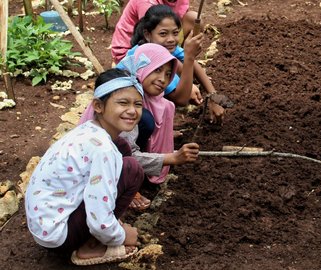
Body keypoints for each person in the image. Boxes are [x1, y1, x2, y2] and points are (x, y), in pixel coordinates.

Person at [25, 68, 145, 265]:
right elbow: (99, 222)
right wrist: (121, 235)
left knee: (122, 147)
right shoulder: (103, 150)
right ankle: (92, 245)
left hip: (45, 224)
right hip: (59, 235)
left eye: (138, 104)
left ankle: (101, 227)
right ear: (98, 106)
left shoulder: (88, 130)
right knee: (132, 169)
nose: (132, 110)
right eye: (123, 103)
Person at [80, 43, 200, 210]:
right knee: (136, 145)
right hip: (92, 174)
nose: (163, 79)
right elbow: (123, 156)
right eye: (157, 70)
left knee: (159, 110)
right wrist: (171, 158)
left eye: (167, 74)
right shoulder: (124, 106)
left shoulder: (148, 98)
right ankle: (123, 187)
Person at [130, 4, 225, 124]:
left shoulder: (165, 46)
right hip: (129, 113)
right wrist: (189, 56)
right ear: (148, 34)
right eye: (163, 34)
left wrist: (214, 97)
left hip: (138, 105)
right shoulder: (145, 56)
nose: (171, 39)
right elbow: (181, 99)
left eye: (175, 33)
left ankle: (162, 128)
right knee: (164, 106)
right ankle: (156, 130)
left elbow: (194, 66)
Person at [111, 0, 196, 64]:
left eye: (175, 33)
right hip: (132, 51)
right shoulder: (146, 3)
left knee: (193, 19)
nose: (171, 39)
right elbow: (149, 42)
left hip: (160, 40)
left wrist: (189, 56)